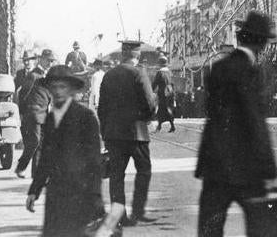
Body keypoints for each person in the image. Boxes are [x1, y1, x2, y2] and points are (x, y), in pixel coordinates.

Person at [195, 11, 277, 237]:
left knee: (209, 229)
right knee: (261, 227)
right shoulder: (251, 72)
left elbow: (212, 112)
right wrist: (270, 170)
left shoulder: (218, 68)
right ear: (261, 44)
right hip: (247, 168)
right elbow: (255, 121)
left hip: (214, 165)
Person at [25, 65, 104, 236]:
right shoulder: (52, 118)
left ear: (71, 89)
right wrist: (34, 190)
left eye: (63, 87)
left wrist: (96, 198)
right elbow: (46, 157)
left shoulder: (86, 117)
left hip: (80, 194)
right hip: (55, 194)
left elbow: (95, 162)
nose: (58, 91)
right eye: (54, 87)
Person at [98, 40, 157, 226]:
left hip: (113, 134)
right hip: (137, 133)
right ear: (137, 55)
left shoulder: (108, 76)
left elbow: (102, 108)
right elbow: (149, 103)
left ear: (122, 54)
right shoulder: (139, 73)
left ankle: (119, 216)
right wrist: (148, 117)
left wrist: (105, 132)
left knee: (116, 175)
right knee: (144, 171)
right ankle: (138, 211)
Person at [15, 67, 51, 179]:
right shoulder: (33, 75)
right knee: (34, 142)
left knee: (40, 144)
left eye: (51, 61)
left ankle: (36, 173)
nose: (49, 63)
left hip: (44, 114)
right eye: (48, 61)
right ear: (42, 59)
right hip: (33, 112)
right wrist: (21, 111)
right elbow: (22, 93)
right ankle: (21, 167)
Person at [153, 55, 176, 132]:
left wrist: (152, 90)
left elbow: (155, 83)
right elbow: (172, 83)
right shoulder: (169, 72)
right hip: (170, 92)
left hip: (163, 93)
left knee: (162, 109)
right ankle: (167, 126)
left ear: (160, 63)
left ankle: (161, 126)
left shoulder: (160, 72)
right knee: (167, 108)